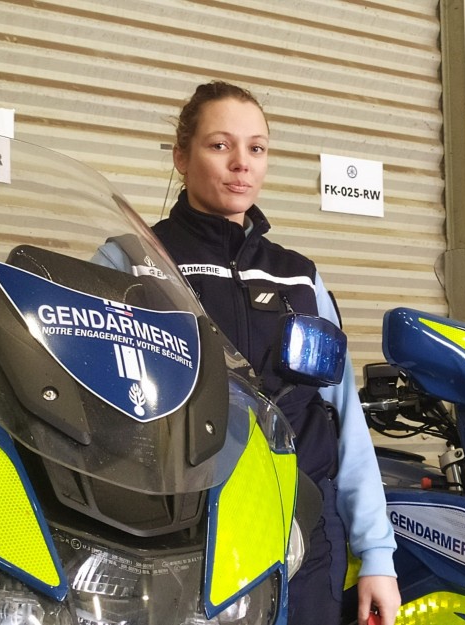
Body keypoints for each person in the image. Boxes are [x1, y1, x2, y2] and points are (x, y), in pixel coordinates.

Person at [151, 81, 400, 624]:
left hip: (305, 527)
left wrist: (378, 557)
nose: (241, 163)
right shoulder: (139, 260)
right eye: (220, 145)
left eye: (256, 148)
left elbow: (345, 419)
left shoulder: (298, 276)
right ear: (181, 157)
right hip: (183, 530)